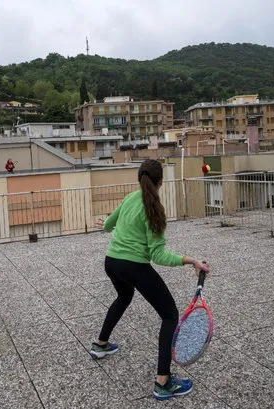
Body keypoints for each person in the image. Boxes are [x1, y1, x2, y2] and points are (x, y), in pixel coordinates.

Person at [90, 159, 209, 400]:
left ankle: (100, 344)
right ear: (160, 182)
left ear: (140, 178)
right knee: (169, 315)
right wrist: (191, 260)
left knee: (124, 296)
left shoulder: (129, 198)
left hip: (111, 262)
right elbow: (158, 255)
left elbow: (108, 226)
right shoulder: (154, 208)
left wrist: (114, 226)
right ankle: (163, 382)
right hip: (133, 266)